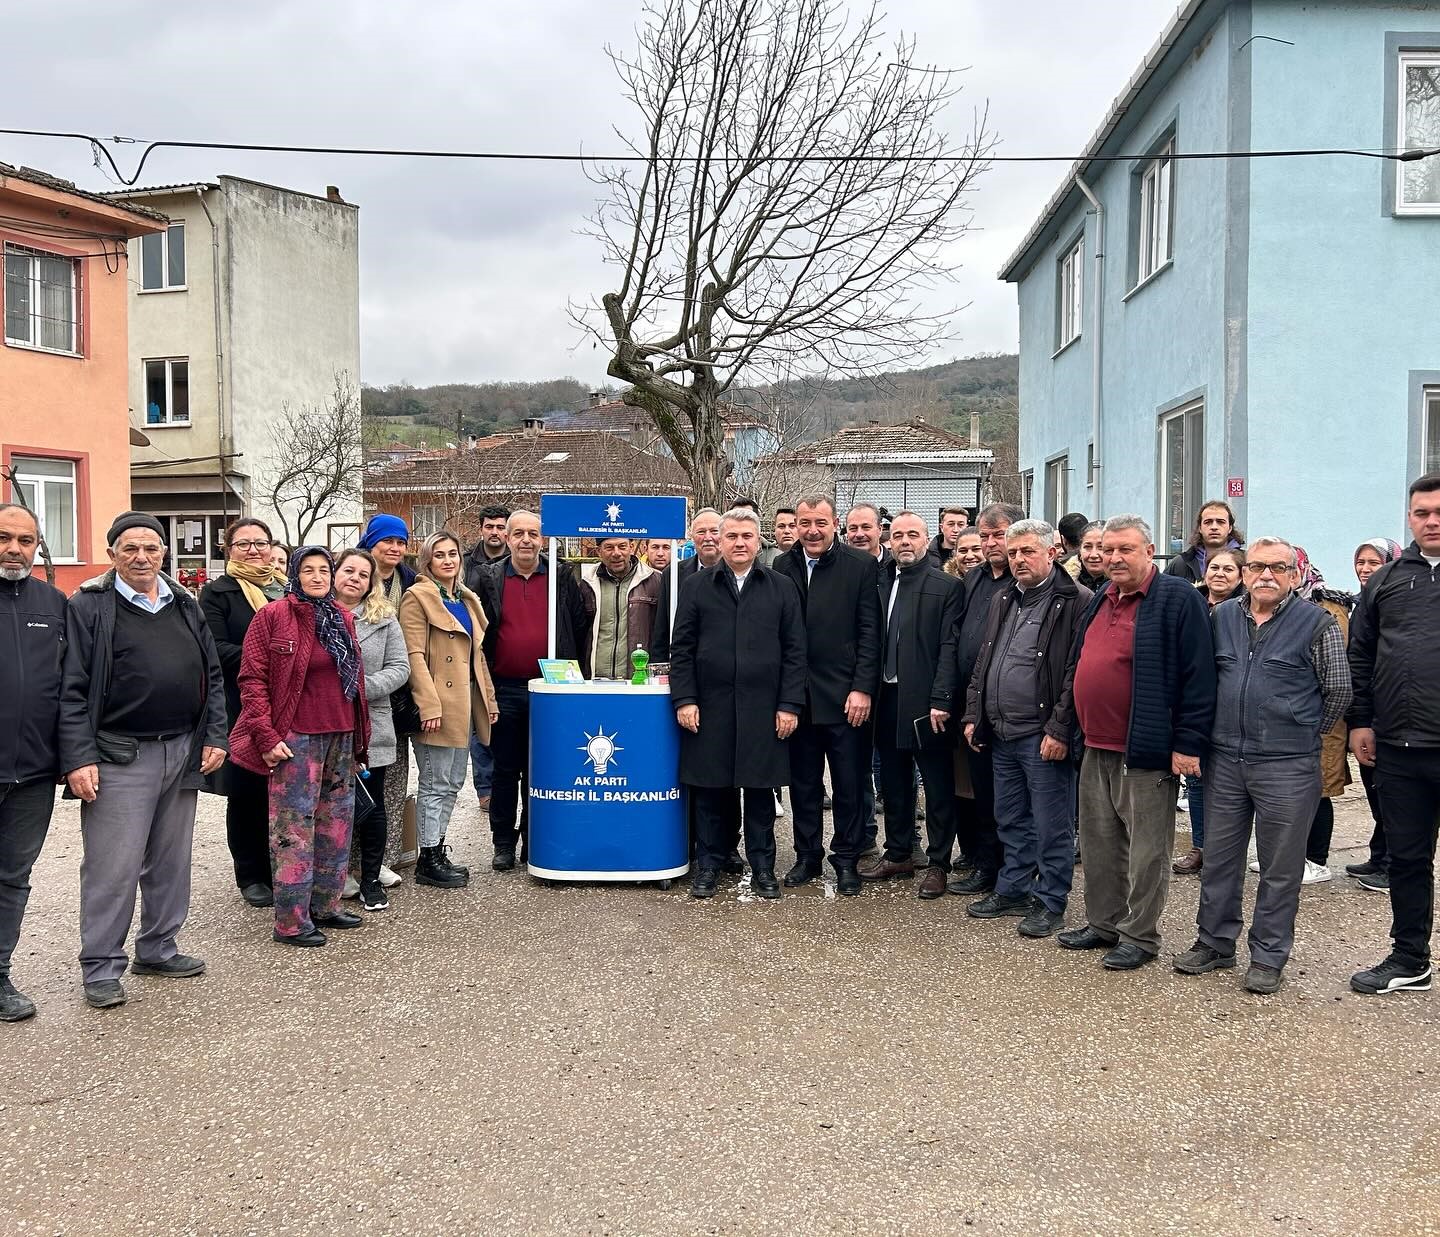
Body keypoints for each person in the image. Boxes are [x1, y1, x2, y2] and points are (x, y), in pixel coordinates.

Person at [60, 511, 228, 1008]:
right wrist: (78, 757)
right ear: (112, 553)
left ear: (164, 553)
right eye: (130, 548)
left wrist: (214, 733)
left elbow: (211, 674)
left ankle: (157, 947)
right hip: (119, 754)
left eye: (151, 548)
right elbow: (71, 689)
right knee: (114, 866)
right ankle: (101, 967)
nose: (142, 557)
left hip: (181, 749)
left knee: (171, 862)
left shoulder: (183, 602)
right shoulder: (90, 606)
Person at [1172, 537, 1351, 995]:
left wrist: (1299, 728)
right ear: (1245, 572)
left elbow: (1338, 692)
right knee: (1220, 858)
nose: (1265, 575)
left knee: (1279, 867)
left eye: (1277, 567)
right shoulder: (1222, 617)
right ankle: (1214, 942)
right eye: (1257, 567)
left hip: (1287, 765)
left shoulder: (1317, 623)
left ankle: (1269, 956)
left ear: (1294, 575)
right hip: (1225, 759)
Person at [1056, 514, 1216, 971]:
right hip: (1095, 744)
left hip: (1144, 748)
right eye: (1107, 550)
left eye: (1125, 549)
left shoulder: (1177, 599)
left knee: (1147, 850)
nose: (1114, 558)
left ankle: (1139, 936)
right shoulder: (1103, 596)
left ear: (1149, 551)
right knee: (1100, 843)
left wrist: (1187, 744)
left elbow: (1198, 679)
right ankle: (1103, 923)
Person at [229, 547, 371, 947]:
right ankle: (290, 921)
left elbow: (354, 683)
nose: (317, 576)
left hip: (341, 734)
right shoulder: (272, 616)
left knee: (336, 825)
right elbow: (252, 680)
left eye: (324, 569)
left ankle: (326, 905)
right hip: (296, 738)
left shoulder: (342, 617)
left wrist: (361, 738)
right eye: (307, 570)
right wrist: (265, 736)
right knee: (293, 830)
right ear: (294, 574)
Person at [962, 519, 1092, 937]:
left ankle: (1051, 900)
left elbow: (1075, 674)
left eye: (1027, 551)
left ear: (1051, 552)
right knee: (1011, 818)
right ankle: (1014, 888)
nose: (1018, 559)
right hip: (1002, 732)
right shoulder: (1005, 598)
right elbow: (986, 661)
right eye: (1013, 552)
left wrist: (1059, 729)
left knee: (1052, 824)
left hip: (1042, 736)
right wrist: (974, 715)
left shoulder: (1075, 600)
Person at [671, 508, 806, 899]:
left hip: (764, 708)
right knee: (711, 790)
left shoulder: (780, 587)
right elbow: (682, 649)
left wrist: (789, 705)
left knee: (761, 792)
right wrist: (685, 699)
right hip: (709, 706)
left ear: (757, 539)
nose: (740, 543)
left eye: (747, 536)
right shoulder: (696, 586)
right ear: (721, 540)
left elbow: (796, 652)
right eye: (732, 537)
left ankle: (763, 868)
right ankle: (710, 864)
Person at [1347, 474, 1440, 996]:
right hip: (1400, 747)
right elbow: (1359, 654)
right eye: (1422, 512)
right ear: (1409, 518)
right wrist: (1361, 719)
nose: (1431, 520)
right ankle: (1410, 957)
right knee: (1407, 858)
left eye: (1439, 511)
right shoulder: (1385, 581)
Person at [771, 495, 881, 893]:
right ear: (794, 525)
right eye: (804, 523)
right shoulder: (783, 566)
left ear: (835, 524)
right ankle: (807, 857)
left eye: (820, 522)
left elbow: (871, 633)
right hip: (798, 699)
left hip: (845, 697)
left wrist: (862, 688)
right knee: (802, 784)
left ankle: (847, 859)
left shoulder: (862, 566)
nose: (811, 531)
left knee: (850, 784)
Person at [475, 511, 590, 870]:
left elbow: (579, 625)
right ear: (507, 539)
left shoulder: (561, 576)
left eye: (534, 534)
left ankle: (534, 840)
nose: (527, 540)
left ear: (543, 539)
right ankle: (503, 844)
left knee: (544, 770)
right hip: (505, 688)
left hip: (551, 690)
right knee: (505, 770)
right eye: (519, 533)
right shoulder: (488, 578)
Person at [858, 512, 963, 897]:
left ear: (926, 539)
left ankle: (938, 863)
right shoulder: (880, 581)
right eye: (897, 534)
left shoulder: (946, 586)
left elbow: (950, 648)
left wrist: (941, 699)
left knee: (935, 785)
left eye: (912, 535)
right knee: (894, 781)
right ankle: (899, 852)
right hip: (886, 698)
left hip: (926, 702)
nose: (904, 541)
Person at [400, 532, 500, 887]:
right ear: (426, 561)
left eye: (453, 554)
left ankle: (438, 849)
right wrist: (428, 704)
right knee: (435, 782)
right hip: (437, 706)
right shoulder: (417, 598)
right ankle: (428, 857)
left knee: (453, 783)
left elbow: (477, 657)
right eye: (439, 554)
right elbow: (413, 656)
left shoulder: (465, 599)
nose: (448, 560)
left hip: (464, 702)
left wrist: (487, 700)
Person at [0, 505, 66, 1022]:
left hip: (33, 774)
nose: (14, 548)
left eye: (25, 540)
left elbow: (72, 689)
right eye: (4, 537)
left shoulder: (54, 602)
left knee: (13, 877)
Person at [200, 517, 287, 908]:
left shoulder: (287, 589)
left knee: (286, 792)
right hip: (243, 704)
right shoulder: (218, 594)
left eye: (260, 543)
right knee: (248, 792)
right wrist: (273, 658)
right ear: (228, 550)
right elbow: (214, 649)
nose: (253, 550)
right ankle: (251, 874)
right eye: (243, 544)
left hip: (289, 705)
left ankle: (284, 866)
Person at [947, 503, 1024, 895]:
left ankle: (1009, 873)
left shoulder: (1024, 582)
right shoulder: (975, 578)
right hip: (969, 703)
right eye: (987, 535)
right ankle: (983, 862)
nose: (993, 543)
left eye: (1000, 535)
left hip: (1007, 706)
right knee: (976, 790)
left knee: (1006, 797)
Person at [332, 549, 410, 912]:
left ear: (371, 583)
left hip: (370, 721)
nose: (355, 579)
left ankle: (370, 878)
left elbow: (399, 668)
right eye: (349, 571)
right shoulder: (314, 616)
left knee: (372, 804)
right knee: (331, 804)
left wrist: (360, 687)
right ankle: (333, 876)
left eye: (363, 575)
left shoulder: (385, 619)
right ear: (335, 573)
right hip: (324, 724)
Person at [1172, 547, 1246, 876]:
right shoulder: (1192, 601)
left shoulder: (1246, 609)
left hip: (1231, 709)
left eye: (1228, 569)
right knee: (1197, 782)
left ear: (1241, 575)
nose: (1219, 574)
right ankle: (1200, 846)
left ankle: (1225, 853)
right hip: (1197, 706)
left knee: (1230, 788)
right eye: (1214, 567)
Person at [357, 512, 418, 878]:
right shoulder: (352, 578)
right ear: (370, 544)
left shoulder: (410, 581)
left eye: (400, 542)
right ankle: (347, 862)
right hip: (357, 697)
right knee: (356, 782)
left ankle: (383, 857)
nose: (394, 548)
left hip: (398, 694)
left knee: (394, 778)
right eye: (387, 541)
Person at [1343, 538, 1403, 892]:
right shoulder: (1361, 602)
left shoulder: (1395, 602)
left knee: (1393, 797)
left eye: (1373, 562)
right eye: (1360, 561)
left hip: (1391, 714)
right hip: (1368, 711)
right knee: (1375, 791)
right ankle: (1379, 855)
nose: (1365, 569)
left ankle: (1393, 865)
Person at [1291, 547, 1351, 886]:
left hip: (1323, 714)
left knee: (1320, 788)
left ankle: (1317, 858)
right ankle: (1296, 855)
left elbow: (1336, 667)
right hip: (1295, 715)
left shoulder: (1328, 605)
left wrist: (1323, 721)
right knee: (1297, 791)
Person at [579, 538, 660, 680]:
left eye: (622, 546)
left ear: (631, 547)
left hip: (639, 679)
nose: (616, 553)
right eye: (609, 548)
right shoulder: (587, 583)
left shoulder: (656, 581)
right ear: (599, 551)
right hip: (595, 679)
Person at [651, 508, 723, 660]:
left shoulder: (738, 574)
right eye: (701, 532)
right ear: (692, 537)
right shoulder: (674, 573)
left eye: (714, 531)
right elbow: (662, 628)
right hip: (685, 664)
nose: (708, 537)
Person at [1164, 500, 1244, 582]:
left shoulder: (1245, 561)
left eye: (1220, 522)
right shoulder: (1180, 564)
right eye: (1208, 522)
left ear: (1230, 528)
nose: (1214, 527)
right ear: (1200, 528)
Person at [463, 505, 511, 593]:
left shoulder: (516, 563)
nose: (494, 532)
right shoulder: (464, 563)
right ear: (480, 530)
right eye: (489, 527)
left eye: (500, 528)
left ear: (508, 531)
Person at [1068, 521, 1107, 591]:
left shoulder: (1124, 587)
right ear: (1079, 551)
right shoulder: (1062, 583)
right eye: (1088, 547)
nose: (1093, 555)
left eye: (1101, 547)